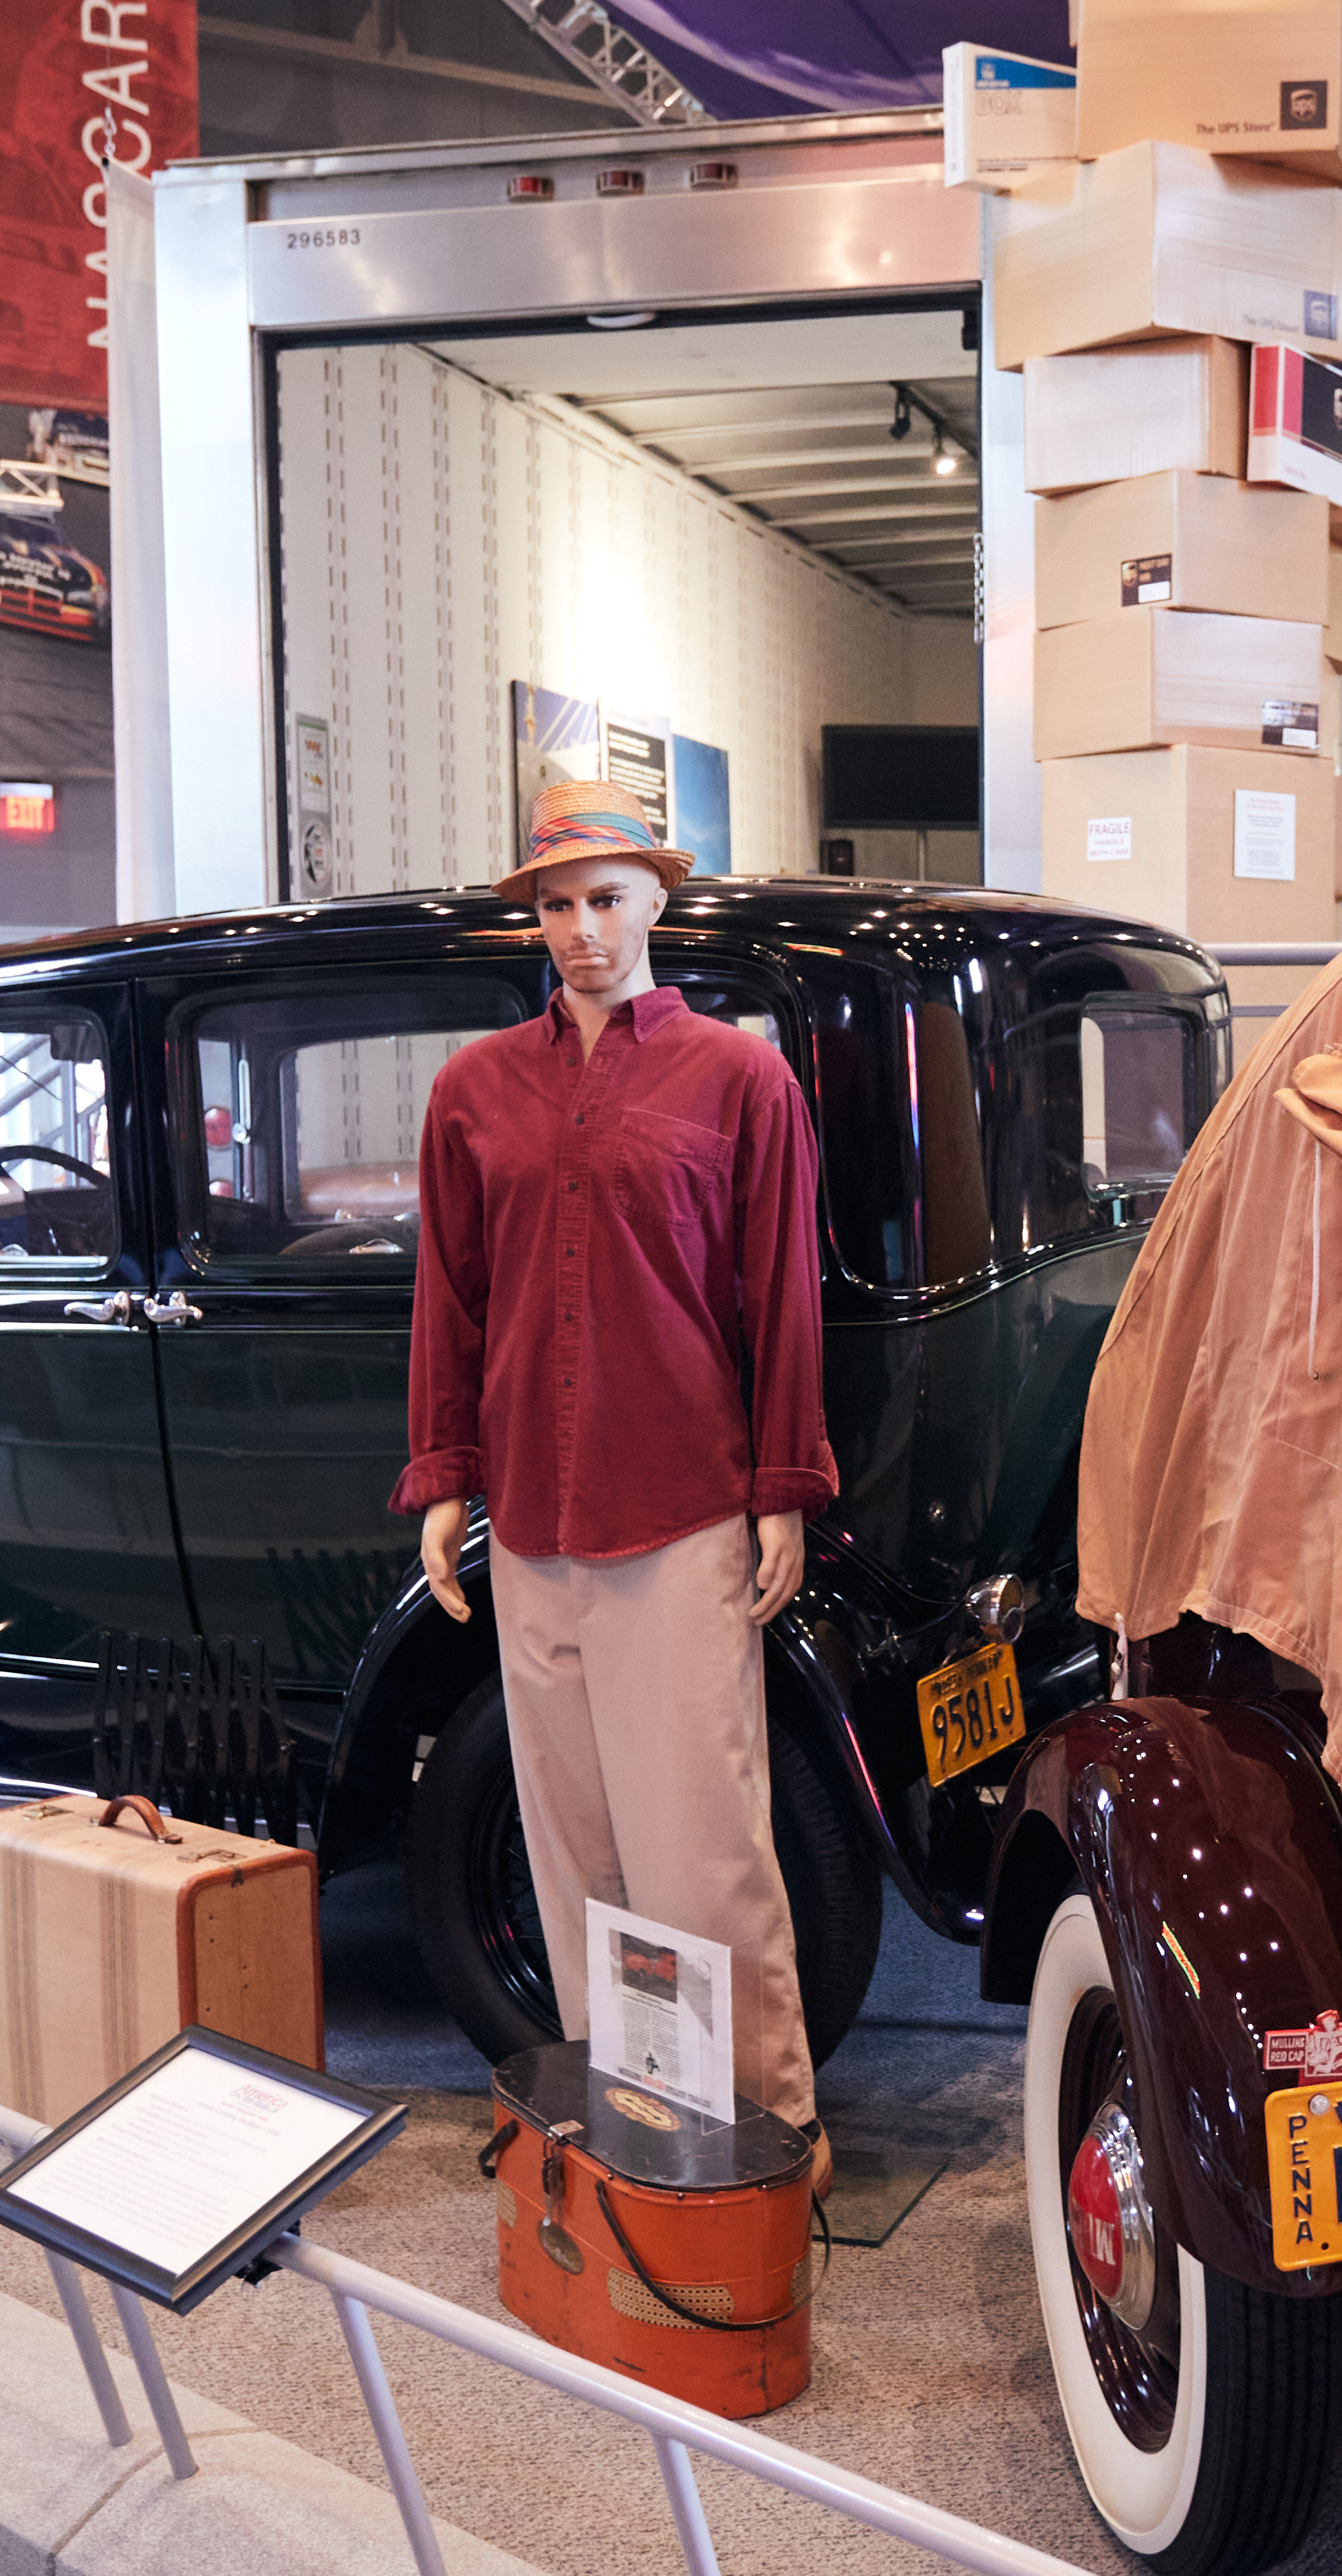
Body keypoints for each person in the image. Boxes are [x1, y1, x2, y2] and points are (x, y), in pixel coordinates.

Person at [399, 780, 838, 2164]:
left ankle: (771, 2125)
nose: (579, 929)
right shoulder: (472, 1091)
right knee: (573, 1852)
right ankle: (640, 2116)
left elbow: (779, 1297)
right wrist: (446, 1477)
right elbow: (448, 1298)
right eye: (554, 903)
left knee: (701, 1850)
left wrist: (781, 1486)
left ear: (658, 900)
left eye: (604, 898)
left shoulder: (738, 1079)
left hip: (678, 1511)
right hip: (530, 1522)